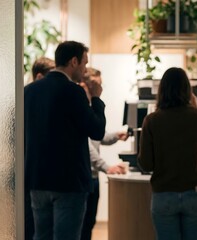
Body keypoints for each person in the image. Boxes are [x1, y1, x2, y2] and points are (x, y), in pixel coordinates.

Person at [24, 41, 106, 240]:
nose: (85, 70)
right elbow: (96, 131)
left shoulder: (29, 91)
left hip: (37, 179)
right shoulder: (73, 91)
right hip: (68, 182)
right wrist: (96, 99)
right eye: (84, 64)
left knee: (41, 236)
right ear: (74, 61)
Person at [138, 67, 197, 240]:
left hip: (163, 195)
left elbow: (146, 164)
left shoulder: (151, 120)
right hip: (195, 194)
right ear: (188, 90)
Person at [80, 67, 129, 240]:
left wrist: (116, 135)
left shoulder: (90, 106)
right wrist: (107, 167)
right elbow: (86, 146)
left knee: (88, 223)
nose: (100, 89)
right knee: (82, 225)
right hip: (84, 177)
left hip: (92, 177)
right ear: (86, 85)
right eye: (97, 85)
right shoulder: (81, 106)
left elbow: (98, 135)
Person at [25, 57, 56, 240]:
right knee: (32, 226)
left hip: (36, 174)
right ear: (38, 77)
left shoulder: (28, 98)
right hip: (30, 175)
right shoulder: (26, 101)